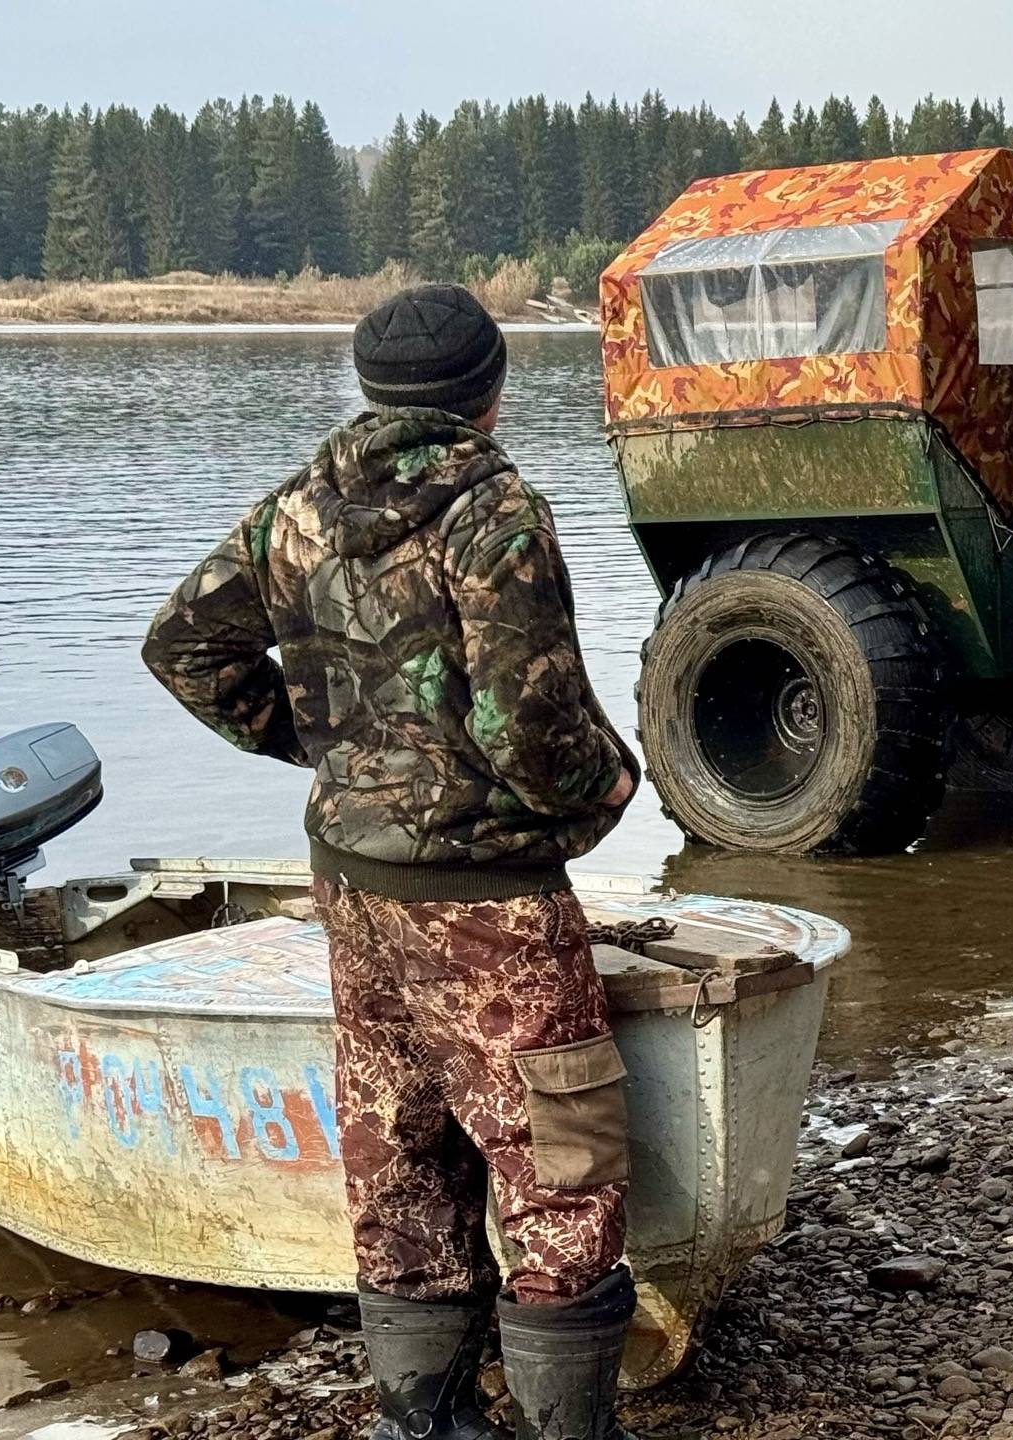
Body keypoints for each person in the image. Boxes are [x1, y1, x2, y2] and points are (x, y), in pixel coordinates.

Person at [143, 283, 644, 1440]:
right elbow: (536, 726)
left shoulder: (298, 506)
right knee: (557, 1149)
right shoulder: (497, 509)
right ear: (491, 389)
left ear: (373, 389)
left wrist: (325, 751)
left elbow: (182, 644)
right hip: (486, 895)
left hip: (354, 883)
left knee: (397, 1137)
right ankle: (566, 1427)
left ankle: (418, 1421)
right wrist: (606, 796)